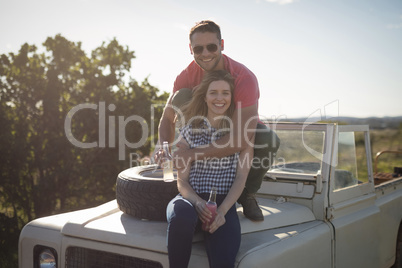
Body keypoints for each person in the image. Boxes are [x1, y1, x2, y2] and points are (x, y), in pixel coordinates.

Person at [156, 20, 280, 221]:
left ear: (222, 45)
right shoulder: (185, 76)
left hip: (235, 127)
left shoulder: (244, 77)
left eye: (211, 47)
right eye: (198, 48)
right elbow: (166, 119)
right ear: (191, 49)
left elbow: (241, 139)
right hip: (200, 130)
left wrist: (191, 154)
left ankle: (247, 193)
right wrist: (164, 148)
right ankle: (186, 180)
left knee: (267, 138)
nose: (205, 53)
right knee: (180, 96)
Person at [166, 70, 252, 268]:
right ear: (205, 97)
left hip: (224, 202)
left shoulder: (240, 134)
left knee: (223, 260)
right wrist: (197, 203)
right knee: (181, 215)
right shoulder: (189, 130)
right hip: (190, 198)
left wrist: (221, 211)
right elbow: (182, 182)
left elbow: (241, 177)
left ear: (232, 97)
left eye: (225, 93)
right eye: (213, 92)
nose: (219, 98)